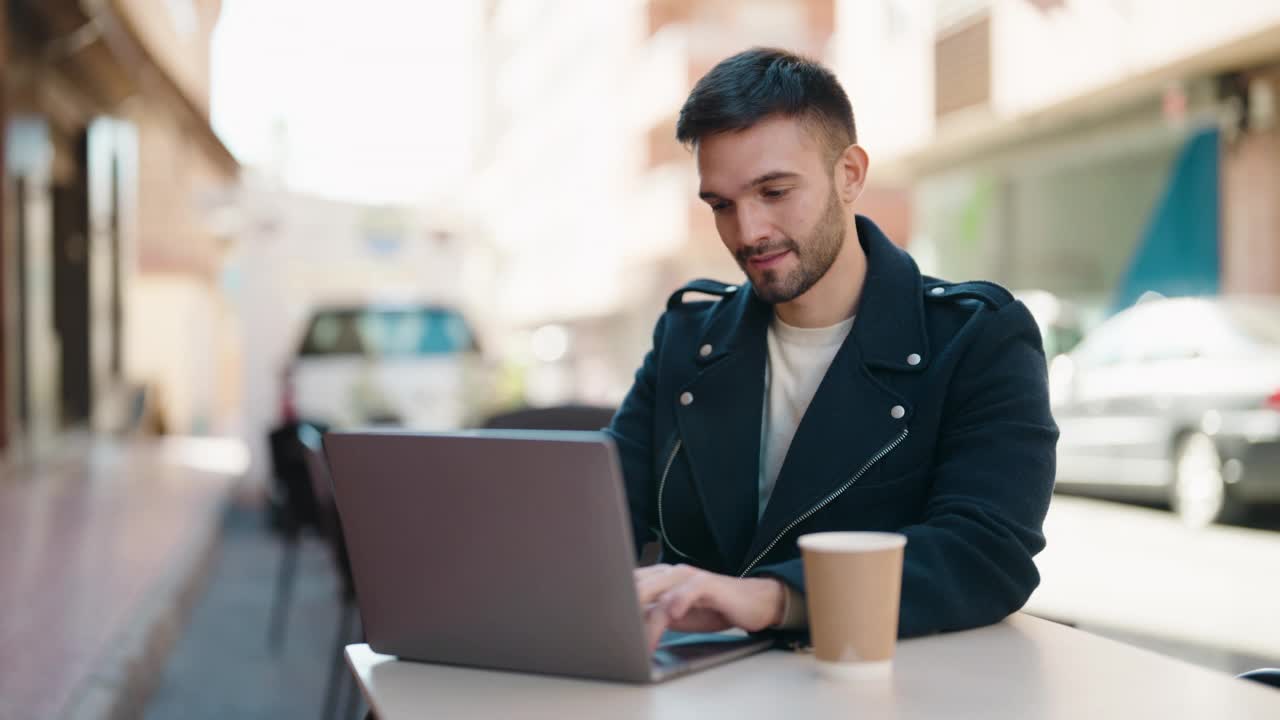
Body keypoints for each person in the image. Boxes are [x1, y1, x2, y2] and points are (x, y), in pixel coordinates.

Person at [606, 48, 1058, 651]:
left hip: (886, 686)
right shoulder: (686, 339)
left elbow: (985, 552)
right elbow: (597, 514)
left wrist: (773, 598)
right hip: (692, 688)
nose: (747, 231)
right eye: (721, 204)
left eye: (773, 190)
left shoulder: (977, 337)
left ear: (850, 175)